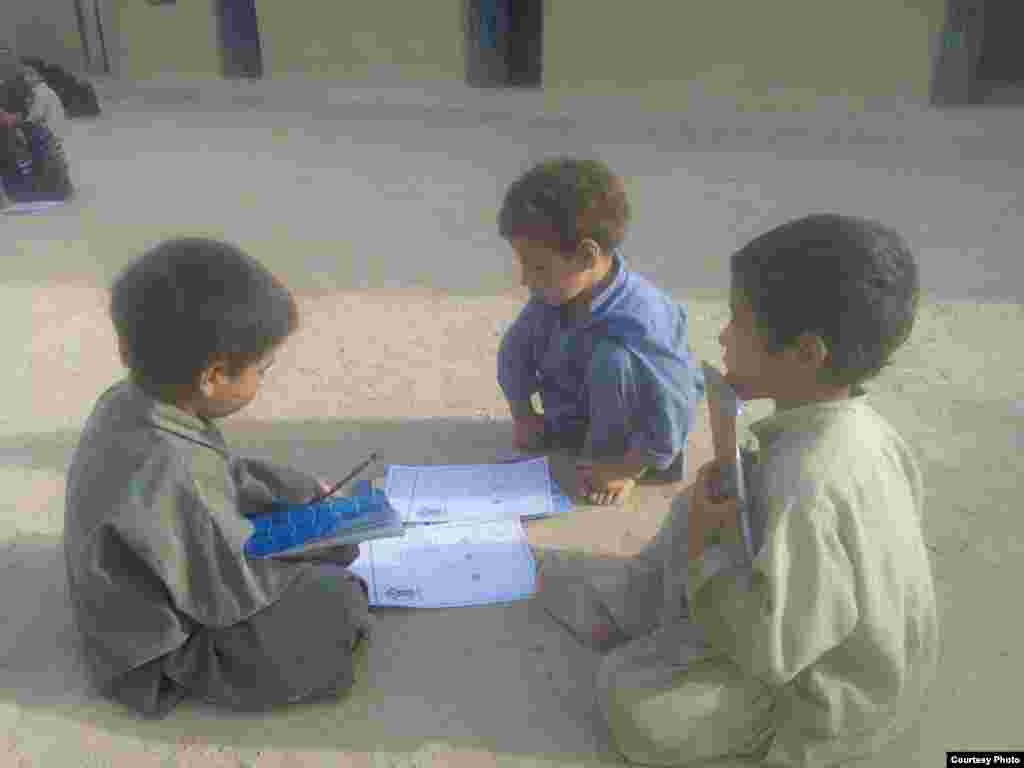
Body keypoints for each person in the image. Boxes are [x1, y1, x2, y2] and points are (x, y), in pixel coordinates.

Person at [536, 213, 939, 766]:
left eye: (739, 323)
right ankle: (641, 605)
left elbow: (774, 651)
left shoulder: (810, 484)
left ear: (806, 353)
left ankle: (655, 621)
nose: (724, 336)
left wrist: (704, 553)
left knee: (633, 700)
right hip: (814, 628)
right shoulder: (865, 431)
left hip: (821, 696)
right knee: (700, 505)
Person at [64, 238, 373, 718]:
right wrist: (322, 539)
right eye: (261, 371)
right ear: (212, 377)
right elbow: (233, 589)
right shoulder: (174, 470)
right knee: (334, 601)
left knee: (290, 506)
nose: (263, 380)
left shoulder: (127, 401)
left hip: (134, 589)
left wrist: (293, 492)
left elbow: (221, 474)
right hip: (151, 650)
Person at [496, 156, 705, 506]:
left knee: (612, 359)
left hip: (642, 440)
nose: (525, 279)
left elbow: (676, 404)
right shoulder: (556, 294)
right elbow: (514, 354)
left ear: (586, 256)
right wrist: (523, 414)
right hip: (578, 415)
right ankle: (579, 437)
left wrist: (631, 465)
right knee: (520, 338)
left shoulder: (646, 316)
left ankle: (617, 463)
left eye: (538, 266)